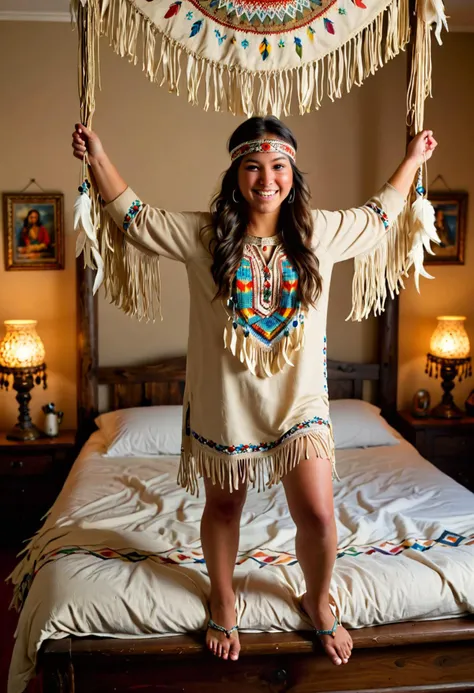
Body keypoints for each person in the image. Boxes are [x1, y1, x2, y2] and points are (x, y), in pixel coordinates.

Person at [71, 117, 437, 667]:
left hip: (301, 404)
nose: (266, 179)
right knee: (224, 505)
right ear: (236, 174)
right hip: (227, 404)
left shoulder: (321, 232)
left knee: (316, 512)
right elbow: (135, 217)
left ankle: (317, 598)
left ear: (292, 173)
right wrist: (97, 154)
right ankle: (223, 597)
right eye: (253, 167)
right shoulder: (204, 236)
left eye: (278, 167)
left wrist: (412, 159)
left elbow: (381, 214)